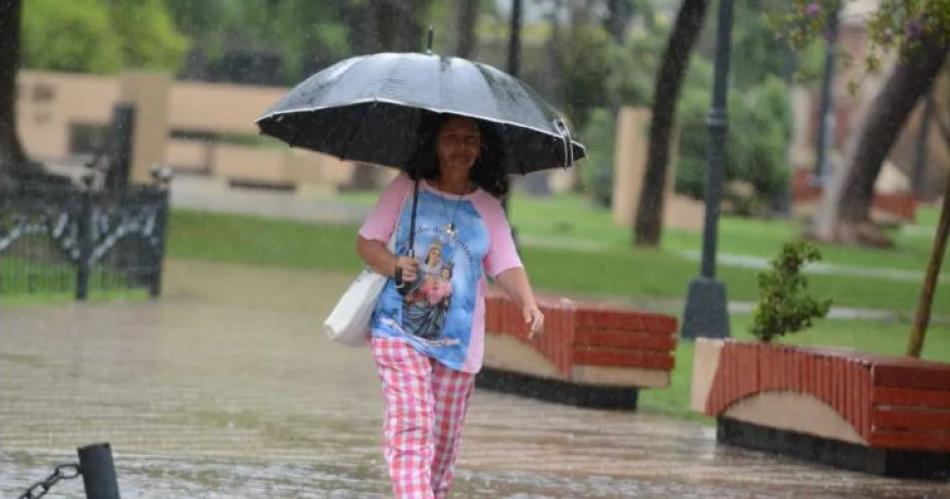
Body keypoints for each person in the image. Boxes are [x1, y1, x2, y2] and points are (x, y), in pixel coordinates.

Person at [356, 114, 544, 498]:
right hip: (398, 329)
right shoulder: (406, 188)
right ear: (434, 143)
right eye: (452, 137)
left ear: (482, 147)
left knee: (441, 452)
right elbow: (367, 243)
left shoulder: (487, 207)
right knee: (414, 422)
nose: (462, 146)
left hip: (457, 345)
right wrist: (394, 264)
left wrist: (527, 301)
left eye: (471, 139)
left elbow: (506, 263)